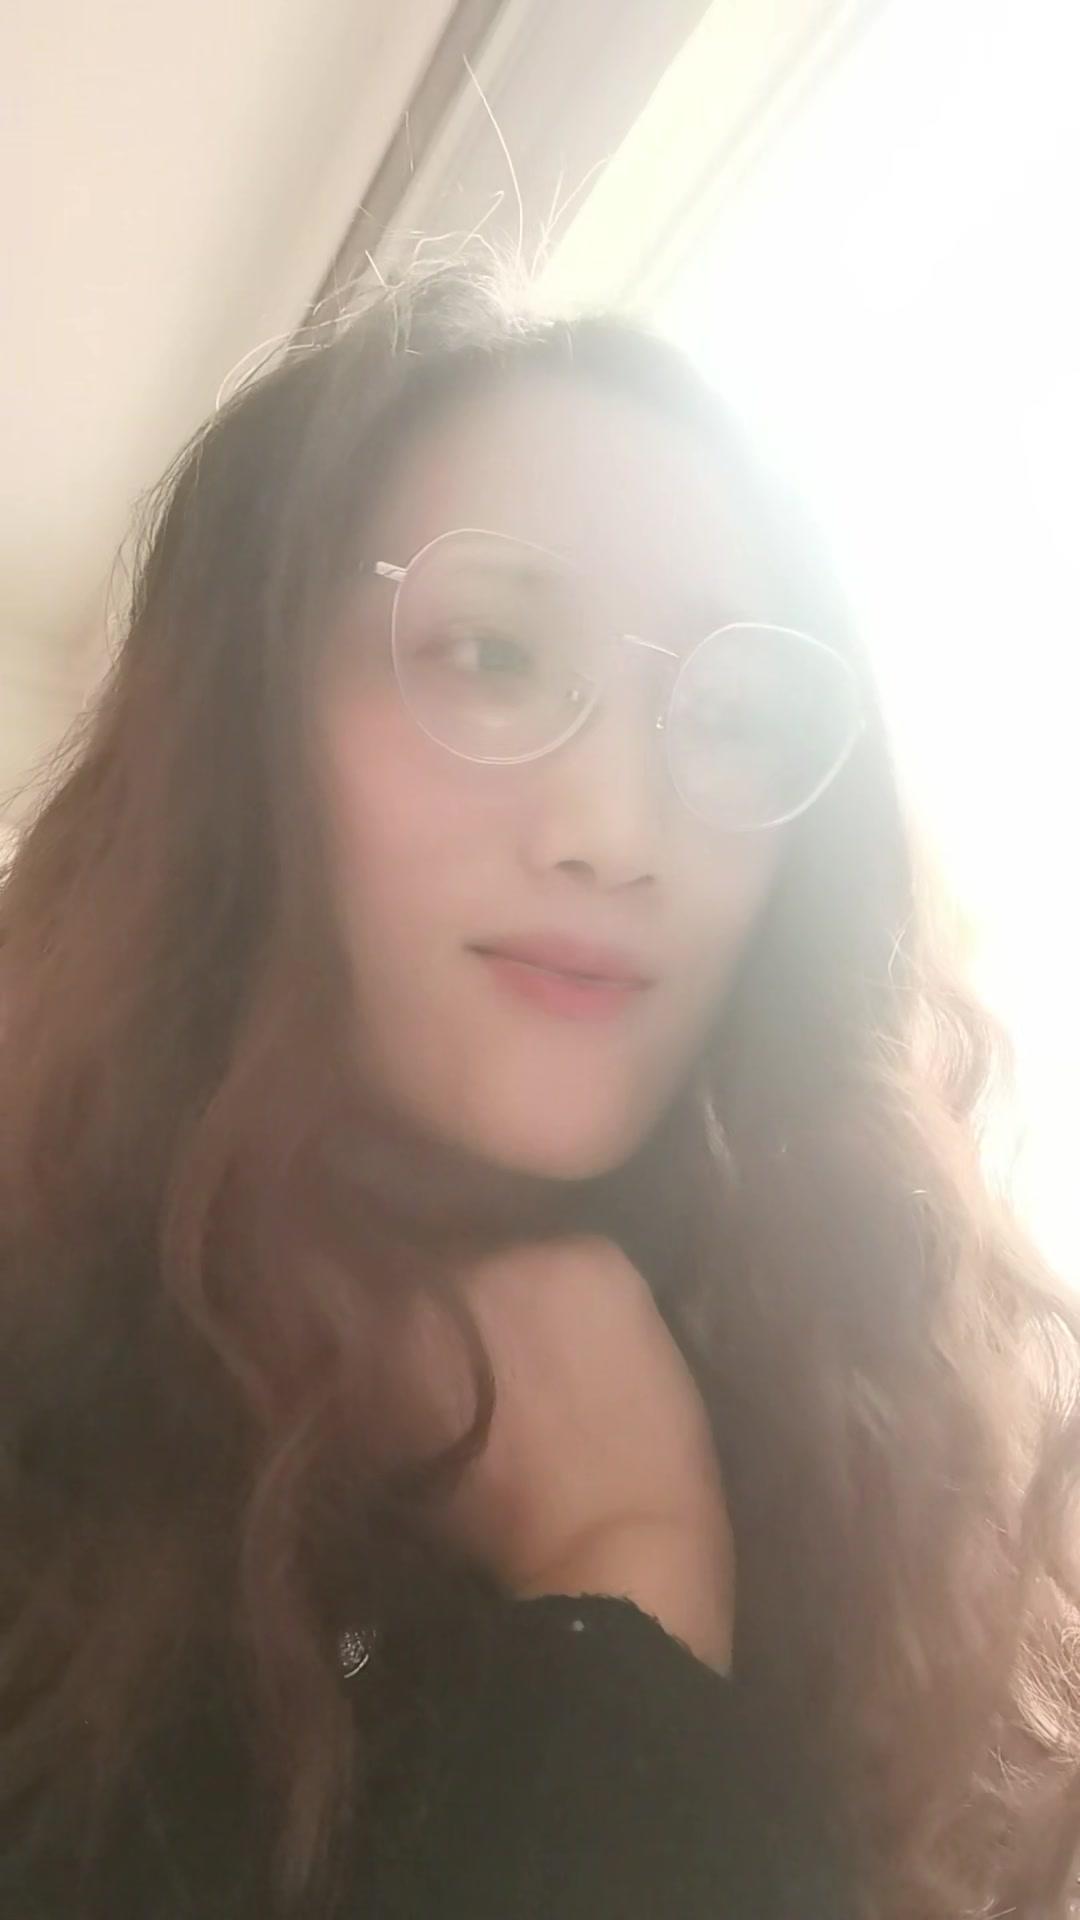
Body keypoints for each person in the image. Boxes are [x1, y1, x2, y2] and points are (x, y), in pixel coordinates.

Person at [1, 260, 1078, 1920]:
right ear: (244, 729)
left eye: (731, 711)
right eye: (491, 652)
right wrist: (622, 1585)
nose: (619, 830)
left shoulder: (912, 1479)